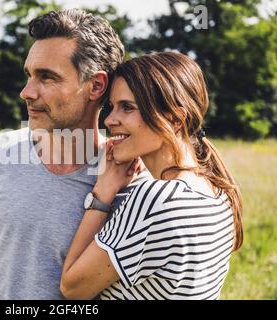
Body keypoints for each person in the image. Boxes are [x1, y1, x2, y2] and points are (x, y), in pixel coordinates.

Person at [0, 9, 146, 300]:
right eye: (29, 75)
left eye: (47, 77)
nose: (27, 92)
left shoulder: (129, 179)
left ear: (96, 85)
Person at [60, 51, 243, 300]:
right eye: (111, 107)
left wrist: (103, 193)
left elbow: (72, 289)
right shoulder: (220, 193)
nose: (110, 120)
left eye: (127, 107)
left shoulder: (155, 199)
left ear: (174, 118)